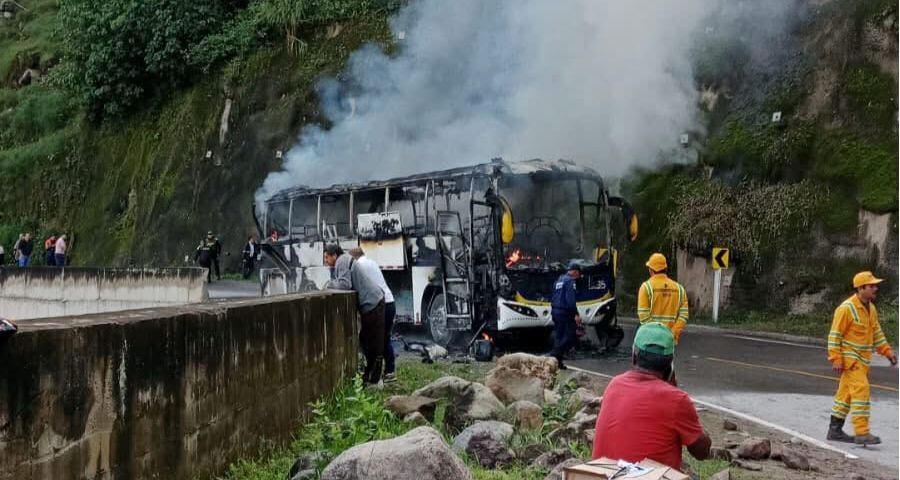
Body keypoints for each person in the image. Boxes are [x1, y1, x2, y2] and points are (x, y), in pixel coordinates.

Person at [592, 322, 711, 471]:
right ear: (670, 364)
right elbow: (702, 452)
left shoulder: (614, 385)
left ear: (634, 355)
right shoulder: (676, 399)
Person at [826, 271, 897, 445]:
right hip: (851, 361)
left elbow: (876, 333)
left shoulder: (870, 308)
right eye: (871, 286)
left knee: (845, 396)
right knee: (861, 391)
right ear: (861, 288)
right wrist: (835, 358)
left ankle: (834, 430)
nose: (876, 288)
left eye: (875, 285)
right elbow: (834, 335)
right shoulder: (846, 309)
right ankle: (862, 432)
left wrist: (887, 351)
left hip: (863, 361)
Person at [324, 243, 386, 387]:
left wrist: (329, 284)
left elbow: (345, 284)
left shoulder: (341, 261)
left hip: (372, 304)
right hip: (374, 301)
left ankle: (372, 379)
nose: (326, 261)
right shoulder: (345, 259)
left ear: (334, 255)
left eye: (327, 257)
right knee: (369, 341)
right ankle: (372, 378)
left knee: (369, 343)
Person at [350, 247, 398, 383]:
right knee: (385, 338)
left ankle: (385, 371)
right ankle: (389, 370)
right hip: (390, 301)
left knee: (377, 340)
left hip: (381, 304)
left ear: (354, 258)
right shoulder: (371, 262)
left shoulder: (359, 265)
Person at [637, 253, 689, 344]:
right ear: (666, 269)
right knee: (668, 358)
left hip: (650, 340)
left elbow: (643, 316)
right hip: (669, 341)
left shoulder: (646, 287)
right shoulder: (679, 289)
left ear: (651, 270)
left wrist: (657, 335)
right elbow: (684, 315)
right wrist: (673, 333)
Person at [549, 261, 583, 369]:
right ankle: (554, 355)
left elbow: (553, 296)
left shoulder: (559, 280)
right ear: (575, 272)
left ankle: (557, 363)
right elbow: (570, 300)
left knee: (559, 336)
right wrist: (576, 314)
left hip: (555, 311)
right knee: (570, 335)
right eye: (578, 273)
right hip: (565, 312)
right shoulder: (570, 281)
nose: (579, 276)